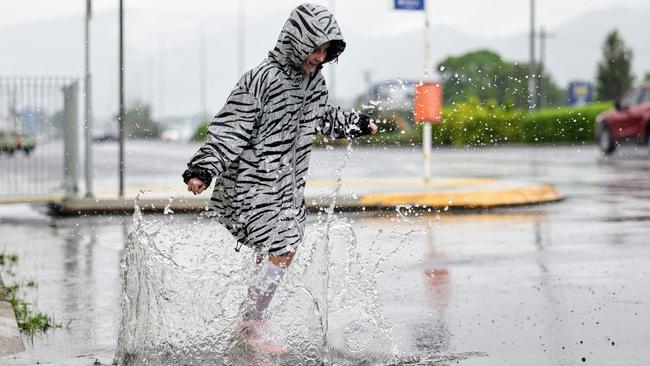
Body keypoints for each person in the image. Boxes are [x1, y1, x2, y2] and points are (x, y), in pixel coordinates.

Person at [182, 3, 377, 354]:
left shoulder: (314, 84)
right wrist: (204, 168)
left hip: (286, 185)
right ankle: (251, 325)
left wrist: (357, 124)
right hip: (251, 183)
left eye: (325, 51)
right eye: (315, 47)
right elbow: (230, 126)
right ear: (296, 40)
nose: (319, 57)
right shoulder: (262, 78)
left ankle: (248, 327)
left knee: (276, 248)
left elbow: (323, 118)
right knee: (284, 245)